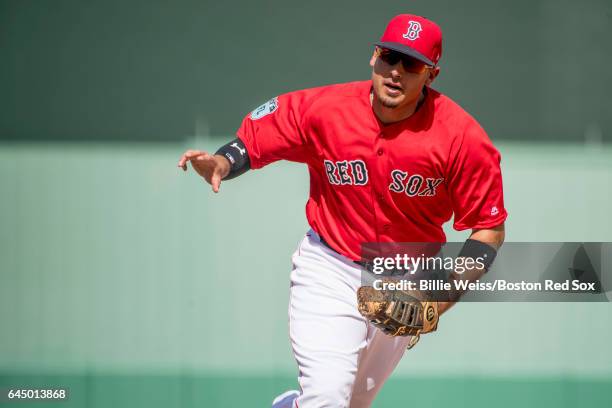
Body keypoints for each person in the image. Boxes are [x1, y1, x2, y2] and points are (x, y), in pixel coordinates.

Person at [178, 13, 507, 408]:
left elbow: (488, 230)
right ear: (374, 57)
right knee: (328, 398)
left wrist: (435, 297)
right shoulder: (327, 109)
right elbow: (263, 133)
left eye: (412, 63)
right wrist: (223, 163)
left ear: (431, 75)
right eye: (390, 56)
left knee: (353, 404)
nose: (396, 71)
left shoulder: (461, 138)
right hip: (329, 268)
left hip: (406, 277)